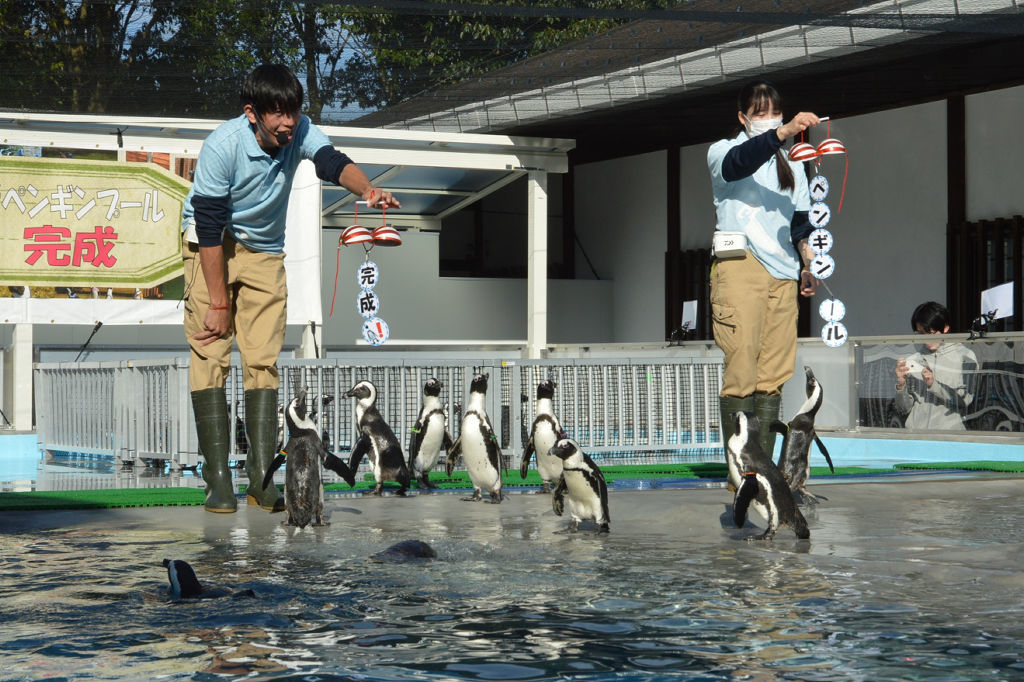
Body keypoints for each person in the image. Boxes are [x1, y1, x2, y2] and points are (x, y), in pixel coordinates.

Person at [181, 64, 400, 513]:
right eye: (276, 113)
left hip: (264, 252)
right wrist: (219, 302)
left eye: (293, 112)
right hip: (211, 243)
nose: (286, 122)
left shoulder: (300, 132)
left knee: (262, 360)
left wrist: (368, 190)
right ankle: (218, 478)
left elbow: (332, 162)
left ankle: (261, 478)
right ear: (252, 113)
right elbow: (206, 225)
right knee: (211, 351)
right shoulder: (223, 146)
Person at [706, 81, 821, 458]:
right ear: (742, 118)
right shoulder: (722, 151)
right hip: (740, 266)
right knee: (741, 368)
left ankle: (764, 469)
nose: (769, 119)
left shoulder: (795, 162)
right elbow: (741, 162)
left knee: (772, 375)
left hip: (784, 273)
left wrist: (807, 263)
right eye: (759, 113)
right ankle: (740, 470)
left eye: (775, 112)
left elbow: (801, 222)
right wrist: (782, 133)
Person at [893, 301, 977, 430]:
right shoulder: (914, 360)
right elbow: (903, 409)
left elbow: (965, 401)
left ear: (945, 328)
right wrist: (901, 384)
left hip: (950, 436)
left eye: (929, 333)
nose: (925, 339)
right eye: (920, 333)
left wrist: (934, 385)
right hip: (916, 437)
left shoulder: (965, 357)